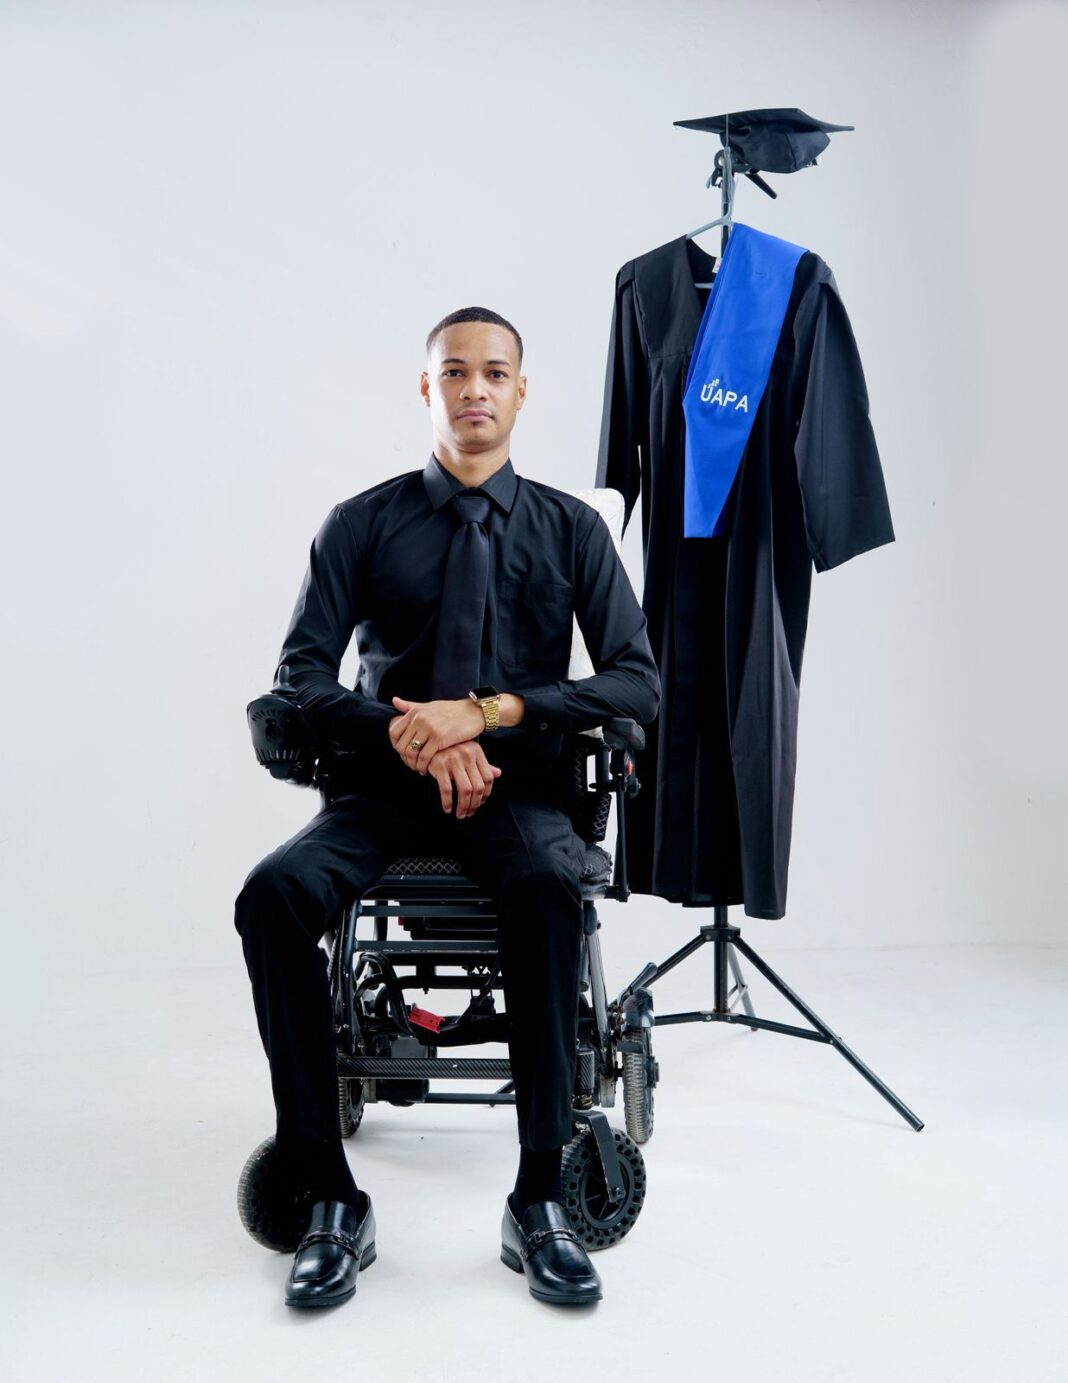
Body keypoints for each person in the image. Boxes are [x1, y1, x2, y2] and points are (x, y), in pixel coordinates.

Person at [234, 306, 661, 1309]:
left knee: (551, 888)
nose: (475, 389)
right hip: (382, 790)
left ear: (521, 392)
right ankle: (329, 1193)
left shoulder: (571, 529)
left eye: (495, 373)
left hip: (518, 794)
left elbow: (636, 681)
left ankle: (540, 1196)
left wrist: (491, 713)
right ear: (426, 389)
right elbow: (301, 673)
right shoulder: (359, 523)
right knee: (273, 896)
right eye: (455, 372)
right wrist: (410, 734)